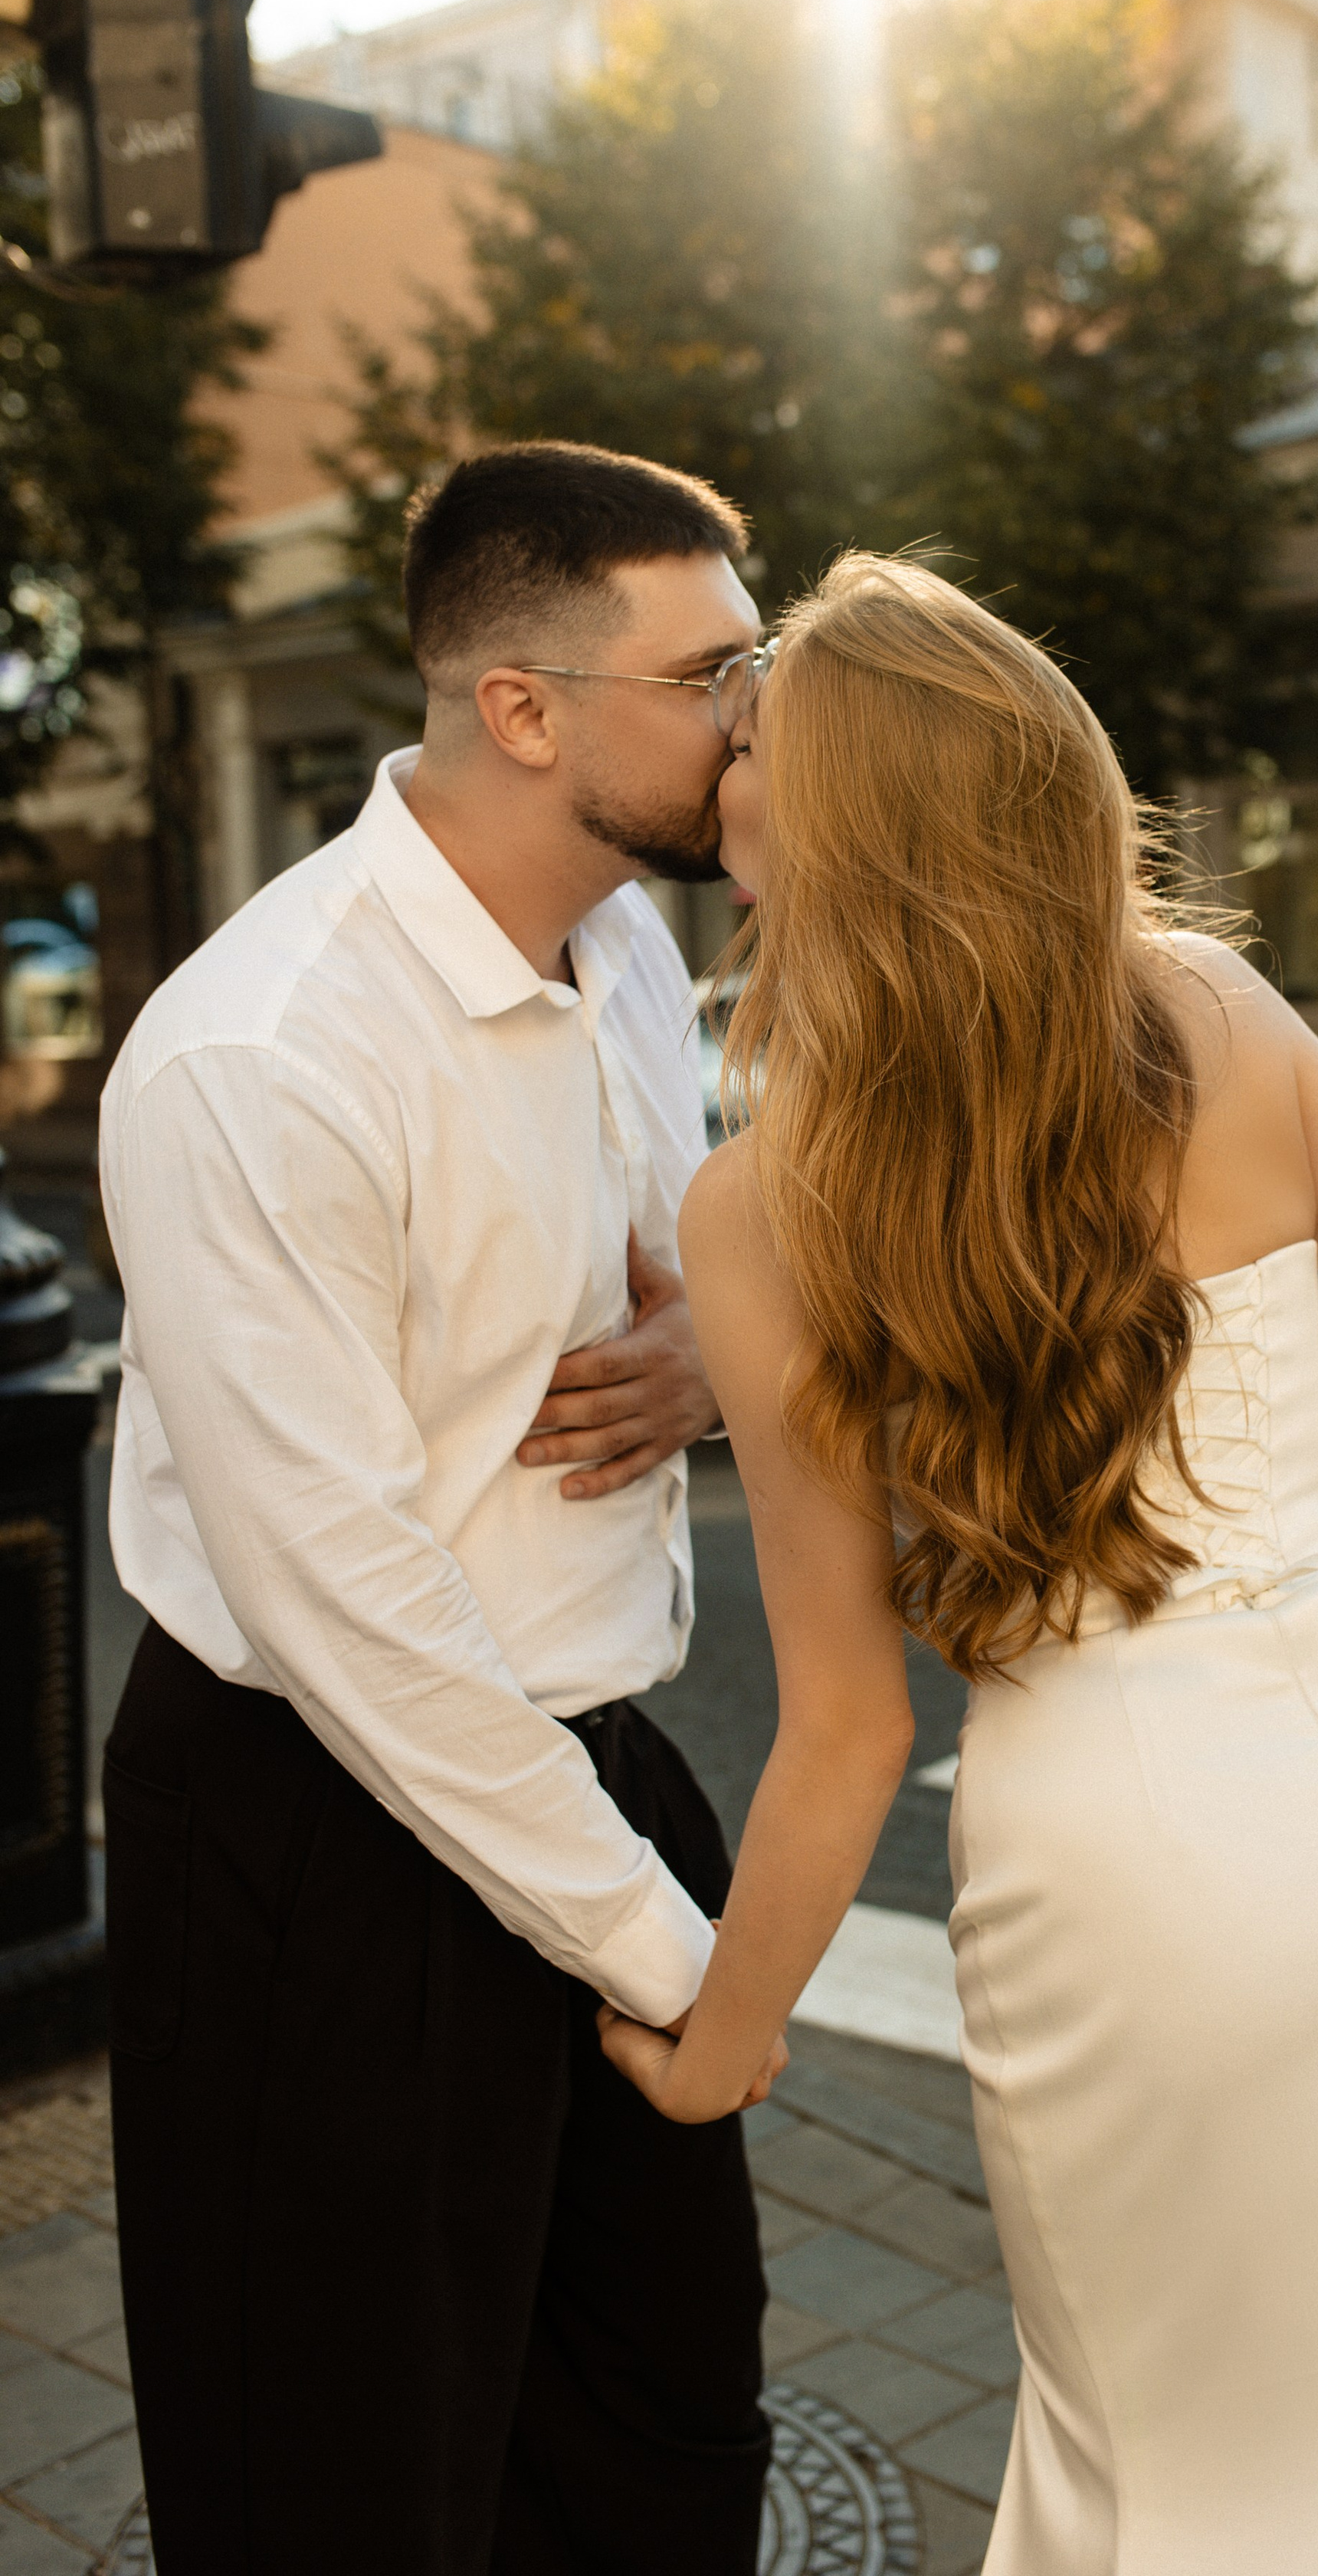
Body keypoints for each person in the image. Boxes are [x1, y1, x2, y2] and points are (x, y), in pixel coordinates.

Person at [599, 554, 1318, 2574]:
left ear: (841, 826)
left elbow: (845, 1727)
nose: (721, 783)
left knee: (1202, 2449)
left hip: (1127, 1841)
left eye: (751, 752)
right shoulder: (1218, 1008)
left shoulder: (761, 1207)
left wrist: (721, 2049)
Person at [99, 442, 784, 2576]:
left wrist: (712, 1356)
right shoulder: (258, 1056)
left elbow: (688, 1275)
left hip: (593, 1759)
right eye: (711, 674)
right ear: (522, 707)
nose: (755, 716)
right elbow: (346, 1606)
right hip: (319, 1835)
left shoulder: (633, 954)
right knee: (343, 2494)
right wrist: (674, 1955)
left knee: (665, 2435)